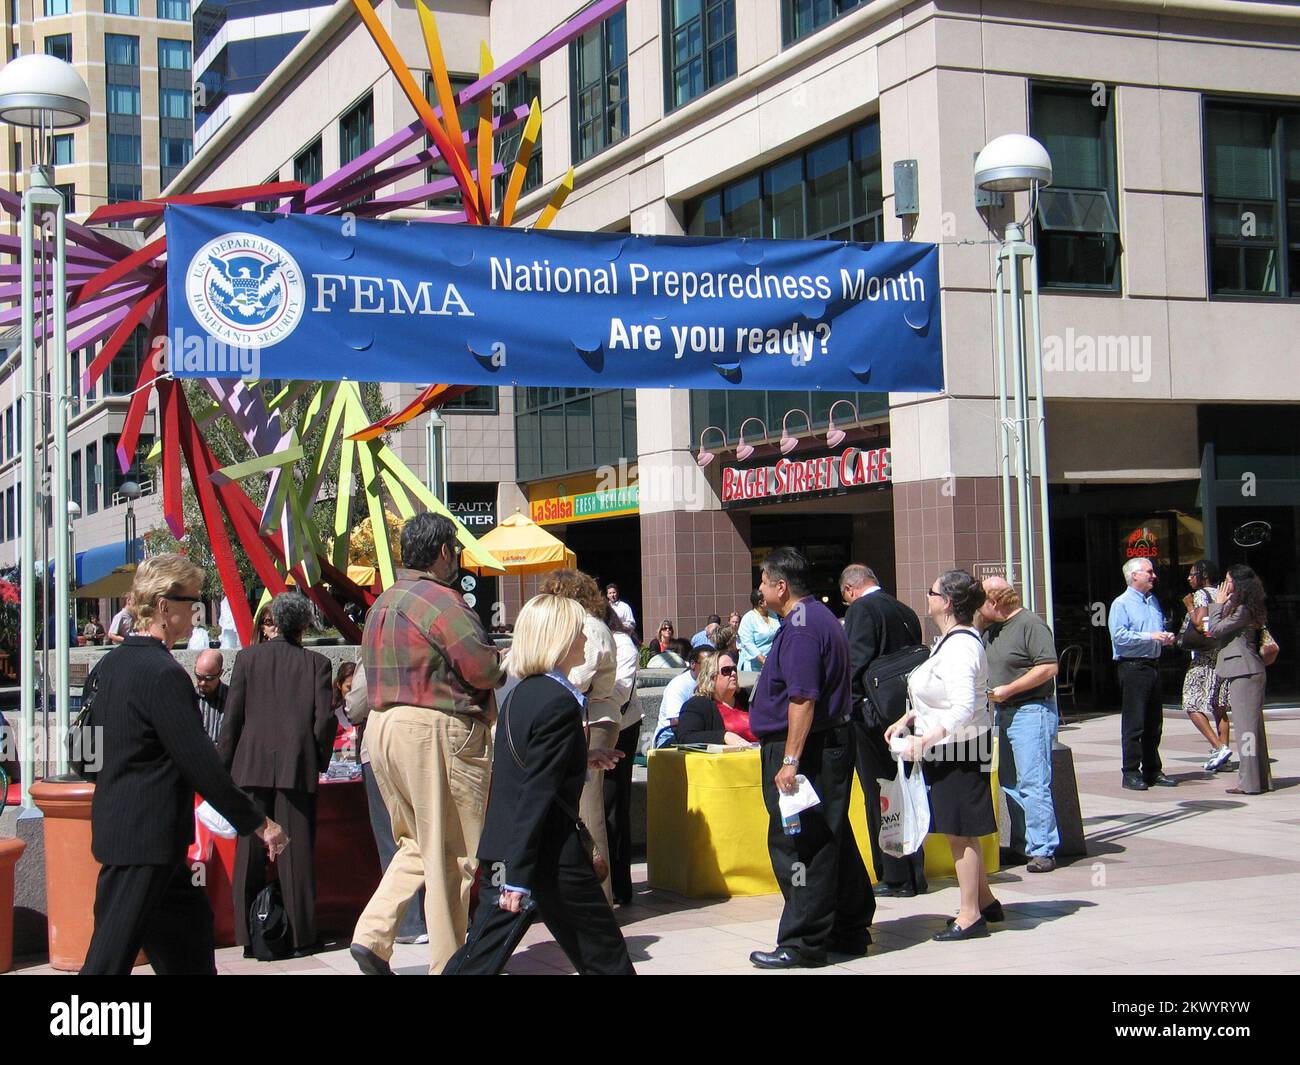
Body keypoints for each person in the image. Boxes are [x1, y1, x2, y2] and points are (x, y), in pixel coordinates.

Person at [81, 554, 287, 975]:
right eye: (191, 602)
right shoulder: (163, 674)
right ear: (162, 607)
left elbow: (85, 757)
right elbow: (200, 764)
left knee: (189, 943)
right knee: (107, 962)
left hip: (135, 836)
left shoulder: (105, 668)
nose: (197, 613)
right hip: (146, 842)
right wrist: (259, 822)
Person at [444, 594, 635, 975]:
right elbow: (536, 792)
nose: (585, 639)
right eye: (578, 631)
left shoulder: (522, 694)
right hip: (545, 856)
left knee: (479, 954)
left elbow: (526, 768)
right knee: (606, 955)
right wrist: (519, 876)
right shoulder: (558, 702)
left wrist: (581, 757)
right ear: (559, 639)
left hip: (511, 848)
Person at [351, 513, 503, 976]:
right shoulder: (440, 601)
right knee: (453, 854)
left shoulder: (384, 602)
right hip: (433, 729)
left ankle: (372, 936)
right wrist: (503, 659)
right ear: (443, 553)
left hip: (382, 730)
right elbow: (481, 669)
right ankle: (450, 964)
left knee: (418, 843)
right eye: (454, 549)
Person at [748, 547, 871, 969]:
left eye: (764, 581)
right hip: (827, 742)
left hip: (809, 746)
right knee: (831, 835)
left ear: (781, 586)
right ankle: (849, 926)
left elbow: (803, 697)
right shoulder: (816, 617)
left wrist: (790, 760)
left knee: (800, 843)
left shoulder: (800, 627)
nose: (760, 589)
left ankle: (802, 942)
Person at [886, 570, 1000, 941]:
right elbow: (938, 694)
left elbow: (963, 706)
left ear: (947, 603)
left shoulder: (961, 646)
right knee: (960, 829)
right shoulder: (950, 641)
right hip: (954, 746)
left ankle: (970, 915)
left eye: (931, 592)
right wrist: (909, 717)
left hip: (960, 748)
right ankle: (983, 899)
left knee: (960, 833)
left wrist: (926, 738)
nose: (928, 597)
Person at [219, 591, 335, 958]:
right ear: (302, 626)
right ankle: (302, 935)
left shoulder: (247, 659)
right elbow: (325, 721)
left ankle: (247, 933)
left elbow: (231, 718)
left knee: (249, 852)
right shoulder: (316, 664)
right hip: (295, 766)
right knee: (295, 853)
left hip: (249, 765)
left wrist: (222, 768)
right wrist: (318, 759)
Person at [840, 563, 927, 897]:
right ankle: (914, 871)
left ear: (850, 590)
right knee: (906, 790)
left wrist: (848, 707)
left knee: (882, 796)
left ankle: (894, 875)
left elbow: (855, 664)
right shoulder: (904, 609)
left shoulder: (862, 611)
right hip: (904, 715)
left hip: (873, 719)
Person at [538, 569, 621, 904]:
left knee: (589, 807)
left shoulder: (589, 628)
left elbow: (579, 680)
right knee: (575, 804)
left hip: (594, 718)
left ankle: (599, 897)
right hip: (585, 715)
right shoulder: (580, 625)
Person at [979, 577, 1060, 873]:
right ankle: (1024, 843)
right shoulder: (992, 631)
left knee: (1032, 781)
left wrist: (1008, 690)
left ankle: (1043, 848)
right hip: (1003, 712)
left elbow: (1048, 667)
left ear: (994, 601)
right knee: (1010, 783)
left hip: (1030, 710)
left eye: (980, 601)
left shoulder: (1030, 624)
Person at [344, 662, 428, 945]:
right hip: (425, 749)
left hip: (382, 751)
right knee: (430, 834)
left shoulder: (377, 649)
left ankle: (408, 923)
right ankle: (438, 916)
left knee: (393, 837)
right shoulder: (428, 640)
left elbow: (355, 707)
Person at [1108, 558, 1177, 790]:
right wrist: (1151, 637)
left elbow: (1155, 631)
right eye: (1149, 572)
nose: (1153, 575)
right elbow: (1119, 637)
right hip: (1133, 667)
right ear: (1134, 575)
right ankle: (1130, 772)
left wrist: (1164, 638)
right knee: (1135, 722)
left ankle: (1152, 770)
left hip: (1153, 665)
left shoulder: (1152, 601)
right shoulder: (1122, 603)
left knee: (1154, 722)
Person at [1207, 565, 1272, 795]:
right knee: (1253, 730)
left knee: (1246, 731)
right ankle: (1260, 780)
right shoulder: (1243, 606)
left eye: (1228, 580)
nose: (1225, 585)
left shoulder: (1243, 610)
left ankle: (1249, 783)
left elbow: (1215, 629)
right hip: (1247, 670)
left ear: (1238, 583)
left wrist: (1217, 602)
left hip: (1245, 672)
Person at [606, 608, 643, 904]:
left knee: (614, 803)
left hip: (621, 726)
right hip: (589, 725)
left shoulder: (622, 645)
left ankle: (620, 885)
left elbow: (620, 692)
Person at [1181, 560, 1232, 772]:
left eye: (1193, 574)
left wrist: (1190, 606)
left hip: (1204, 659)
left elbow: (1200, 623)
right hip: (1222, 654)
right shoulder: (1224, 595)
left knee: (1191, 702)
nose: (1189, 578)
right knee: (1219, 706)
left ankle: (1218, 747)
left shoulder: (1202, 594)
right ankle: (1224, 758)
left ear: (1203, 575)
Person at [675, 651, 756, 745]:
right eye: (727, 670)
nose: (733, 673)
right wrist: (724, 736)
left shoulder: (747, 698)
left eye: (734, 669)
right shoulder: (697, 705)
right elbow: (686, 737)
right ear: (711, 676)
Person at [653, 643, 713, 747]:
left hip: (700, 733)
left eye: (714, 665)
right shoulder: (679, 685)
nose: (711, 669)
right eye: (706, 665)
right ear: (693, 664)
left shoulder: (714, 682)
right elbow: (675, 724)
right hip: (669, 736)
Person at [737, 590, 778, 672]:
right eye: (767, 598)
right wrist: (763, 660)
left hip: (773, 663)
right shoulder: (748, 618)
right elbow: (748, 643)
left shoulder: (773, 614)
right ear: (761, 603)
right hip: (755, 667)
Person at [193, 649, 227, 745]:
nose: (203, 683)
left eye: (209, 678)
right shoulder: (188, 698)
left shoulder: (232, 699)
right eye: (199, 677)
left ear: (220, 673)